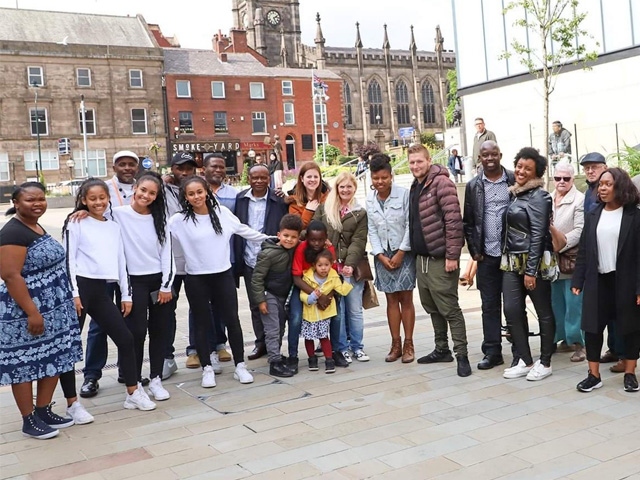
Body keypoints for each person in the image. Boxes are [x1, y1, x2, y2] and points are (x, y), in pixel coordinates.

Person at [63, 178, 156, 411]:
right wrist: (73, 293)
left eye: (102, 198)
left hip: (101, 290)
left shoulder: (113, 225)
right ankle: (72, 404)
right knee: (69, 347)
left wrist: (126, 294)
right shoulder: (75, 223)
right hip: (80, 289)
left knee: (125, 339)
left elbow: (120, 261)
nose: (98, 202)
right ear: (83, 200)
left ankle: (133, 393)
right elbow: (69, 260)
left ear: (108, 198)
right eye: (92, 199)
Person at [0, 183, 84, 439]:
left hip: (54, 310)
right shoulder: (12, 233)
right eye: (30, 200)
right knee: (24, 364)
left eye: (41, 198)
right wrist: (32, 313)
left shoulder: (35, 225)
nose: (37, 203)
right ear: (16, 203)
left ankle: (43, 410)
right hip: (25, 312)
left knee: (54, 357)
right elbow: (11, 275)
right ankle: (29, 420)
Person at [169, 176, 269, 387]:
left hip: (223, 275)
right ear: (185, 197)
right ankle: (207, 368)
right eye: (191, 193)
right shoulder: (179, 220)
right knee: (202, 322)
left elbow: (246, 231)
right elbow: (159, 237)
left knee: (232, 320)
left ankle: (240, 366)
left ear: (207, 192)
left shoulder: (222, 213)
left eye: (199, 192)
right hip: (196, 278)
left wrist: (272, 238)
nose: (196, 196)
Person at [572, 168, 640, 393]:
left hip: (626, 282)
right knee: (592, 328)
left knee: (629, 328)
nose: (602, 188)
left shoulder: (634, 216)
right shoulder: (594, 215)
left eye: (608, 184)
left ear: (619, 186)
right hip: (597, 280)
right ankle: (593, 375)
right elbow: (584, 251)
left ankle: (630, 373)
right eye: (601, 184)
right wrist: (578, 280)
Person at [80, 150, 140, 399]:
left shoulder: (143, 188)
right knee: (99, 324)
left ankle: (128, 372)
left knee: (128, 320)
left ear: (137, 167)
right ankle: (91, 375)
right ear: (113, 166)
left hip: (130, 264)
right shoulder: (102, 189)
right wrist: (79, 211)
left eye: (131, 164)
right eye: (122, 164)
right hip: (102, 268)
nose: (127, 168)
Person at [408, 144, 471, 377]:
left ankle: (462, 355)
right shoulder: (416, 185)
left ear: (428, 160)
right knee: (432, 307)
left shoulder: (442, 183)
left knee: (449, 308)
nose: (415, 166)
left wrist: (452, 256)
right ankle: (441, 349)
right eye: (412, 162)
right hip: (422, 260)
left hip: (440, 259)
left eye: (419, 161)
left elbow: (454, 220)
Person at [112, 172, 175, 401]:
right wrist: (79, 211)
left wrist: (166, 286)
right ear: (135, 189)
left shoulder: (160, 218)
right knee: (135, 333)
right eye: (143, 190)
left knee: (160, 331)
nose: (146, 196)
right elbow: (94, 213)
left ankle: (156, 378)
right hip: (131, 282)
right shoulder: (118, 215)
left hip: (158, 282)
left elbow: (167, 254)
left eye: (152, 193)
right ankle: (135, 382)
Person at [501, 147, 558, 382]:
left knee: (543, 312)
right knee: (512, 310)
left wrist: (531, 270)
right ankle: (525, 359)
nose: (521, 171)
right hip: (512, 261)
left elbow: (537, 234)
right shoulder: (516, 194)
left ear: (536, 173)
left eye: (527, 168)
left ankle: (545, 362)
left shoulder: (540, 197)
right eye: (519, 166)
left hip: (533, 262)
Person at [463, 140, 516, 370]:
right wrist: (475, 252)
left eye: (494, 154)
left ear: (500, 155)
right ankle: (493, 351)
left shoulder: (513, 180)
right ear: (480, 158)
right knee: (489, 305)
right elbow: (468, 222)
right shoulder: (473, 186)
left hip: (511, 254)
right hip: (487, 256)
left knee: (513, 306)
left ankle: (519, 350)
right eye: (485, 155)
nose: (490, 158)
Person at [182, 153, 236, 369]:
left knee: (222, 306)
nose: (219, 170)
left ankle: (220, 344)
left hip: (223, 260)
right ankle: (196, 348)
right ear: (203, 169)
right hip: (197, 264)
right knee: (199, 308)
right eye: (214, 166)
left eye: (222, 166)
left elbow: (237, 225)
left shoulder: (233, 194)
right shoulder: (192, 191)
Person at [234, 164, 289, 361]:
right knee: (257, 305)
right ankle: (261, 343)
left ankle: (276, 343)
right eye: (254, 178)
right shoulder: (240, 199)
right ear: (248, 178)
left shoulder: (278, 200)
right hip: (250, 261)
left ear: (269, 179)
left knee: (278, 305)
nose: (258, 181)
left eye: (263, 178)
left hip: (274, 263)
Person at [314, 172, 369, 363]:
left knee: (354, 309)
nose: (345, 190)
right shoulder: (324, 208)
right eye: (342, 186)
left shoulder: (360, 212)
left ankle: (357, 346)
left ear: (354, 188)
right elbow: (314, 231)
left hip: (350, 268)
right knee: (339, 310)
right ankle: (342, 348)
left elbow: (359, 240)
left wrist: (350, 264)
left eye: (349, 187)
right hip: (330, 269)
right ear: (336, 188)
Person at [366, 153, 416, 363]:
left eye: (384, 177)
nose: (380, 182)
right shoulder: (370, 200)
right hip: (382, 256)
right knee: (391, 300)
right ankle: (395, 344)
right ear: (371, 178)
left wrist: (401, 252)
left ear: (391, 176)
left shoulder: (404, 195)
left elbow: (409, 225)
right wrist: (379, 255)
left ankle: (408, 344)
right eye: (376, 178)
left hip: (403, 252)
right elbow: (372, 230)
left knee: (406, 299)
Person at [579, 152, 623, 370]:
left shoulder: (620, 192)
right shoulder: (588, 193)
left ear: (605, 167)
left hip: (619, 266)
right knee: (599, 316)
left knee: (620, 315)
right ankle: (613, 350)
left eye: (594, 167)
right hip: (596, 265)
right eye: (586, 168)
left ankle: (623, 353)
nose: (590, 171)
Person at [250, 214, 303, 377]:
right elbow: (257, 278)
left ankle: (276, 355)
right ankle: (274, 362)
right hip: (269, 295)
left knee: (280, 328)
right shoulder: (267, 254)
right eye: (286, 236)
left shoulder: (297, 248)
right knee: (272, 329)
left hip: (283, 296)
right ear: (278, 234)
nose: (289, 240)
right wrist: (261, 301)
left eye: (294, 237)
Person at [162, 151, 198, 380]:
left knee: (200, 307)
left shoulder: (197, 189)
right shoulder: (162, 190)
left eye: (188, 168)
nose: (184, 172)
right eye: (179, 168)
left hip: (195, 260)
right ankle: (167, 357)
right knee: (167, 311)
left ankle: (198, 350)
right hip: (170, 262)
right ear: (171, 169)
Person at [289, 221, 338, 371]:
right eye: (312, 240)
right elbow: (296, 278)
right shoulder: (301, 248)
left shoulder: (329, 248)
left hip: (327, 289)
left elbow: (335, 276)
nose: (316, 243)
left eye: (320, 239)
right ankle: (293, 355)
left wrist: (327, 296)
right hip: (304, 288)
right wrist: (317, 295)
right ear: (307, 238)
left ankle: (336, 353)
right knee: (296, 317)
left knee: (338, 316)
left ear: (326, 238)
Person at [550, 163, 585, 362]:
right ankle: (562, 338)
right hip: (551, 262)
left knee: (574, 303)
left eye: (566, 178)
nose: (561, 182)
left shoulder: (579, 200)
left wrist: (559, 244)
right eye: (557, 178)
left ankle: (580, 343)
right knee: (556, 303)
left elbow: (580, 230)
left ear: (572, 179)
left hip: (570, 258)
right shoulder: (548, 197)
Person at [300, 249, 353, 373]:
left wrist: (347, 278)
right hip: (309, 313)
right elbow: (302, 295)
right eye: (320, 265)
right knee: (308, 338)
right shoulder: (307, 277)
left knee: (324, 337)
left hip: (325, 313)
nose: (323, 268)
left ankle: (329, 359)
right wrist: (311, 297)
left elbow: (342, 290)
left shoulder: (333, 277)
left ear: (331, 264)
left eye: (326, 265)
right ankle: (311, 359)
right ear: (314, 265)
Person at [288, 162, 329, 229]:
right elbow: (297, 228)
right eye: (309, 177)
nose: (312, 180)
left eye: (316, 177)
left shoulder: (327, 198)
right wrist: (308, 211)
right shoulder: (294, 202)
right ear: (302, 178)